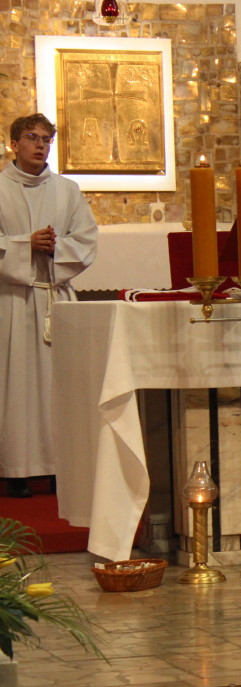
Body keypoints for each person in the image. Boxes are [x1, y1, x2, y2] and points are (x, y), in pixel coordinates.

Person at [0, 113, 97, 498]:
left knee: (61, 385)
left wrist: (56, 247)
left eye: (46, 139)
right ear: (14, 144)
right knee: (16, 385)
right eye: (31, 137)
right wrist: (26, 244)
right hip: (11, 301)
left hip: (55, 297)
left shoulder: (67, 190)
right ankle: (15, 470)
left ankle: (60, 467)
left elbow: (86, 238)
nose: (40, 145)